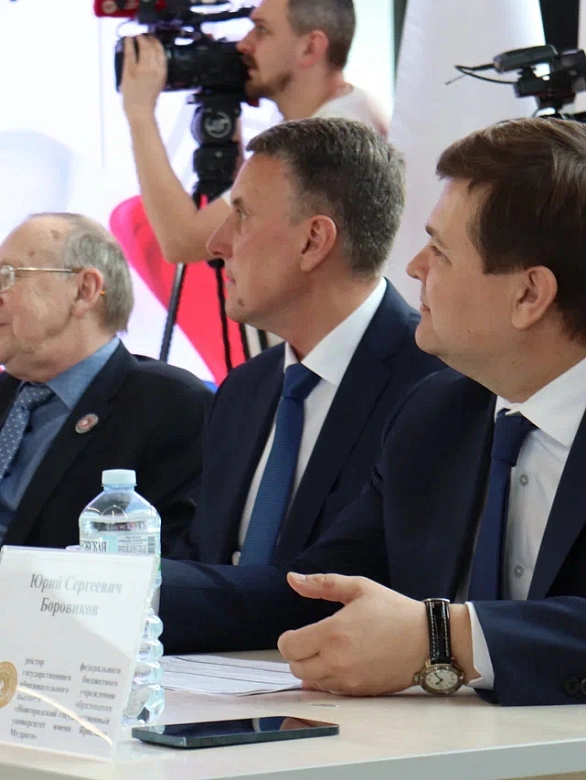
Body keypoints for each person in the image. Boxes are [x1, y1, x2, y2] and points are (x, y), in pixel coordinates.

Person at [158, 118, 586, 707]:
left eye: (440, 251)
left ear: (529, 295)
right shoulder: (436, 415)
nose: (414, 267)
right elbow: (312, 592)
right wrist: (113, 590)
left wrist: (447, 639)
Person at [0, 213, 213, 610]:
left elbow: (158, 579)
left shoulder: (168, 405)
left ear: (84, 291)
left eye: (8, 277)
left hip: (27, 639)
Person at [168, 118, 442, 566]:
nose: (216, 244)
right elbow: (200, 561)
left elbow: (349, 585)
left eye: (241, 215)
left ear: (313, 241)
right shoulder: (241, 391)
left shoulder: (437, 389)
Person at [120, 0, 388, 267]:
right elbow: (254, 214)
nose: (243, 44)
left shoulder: (321, 144)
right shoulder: (352, 110)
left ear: (310, 48)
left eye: (262, 30)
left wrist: (139, 112)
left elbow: (182, 241)